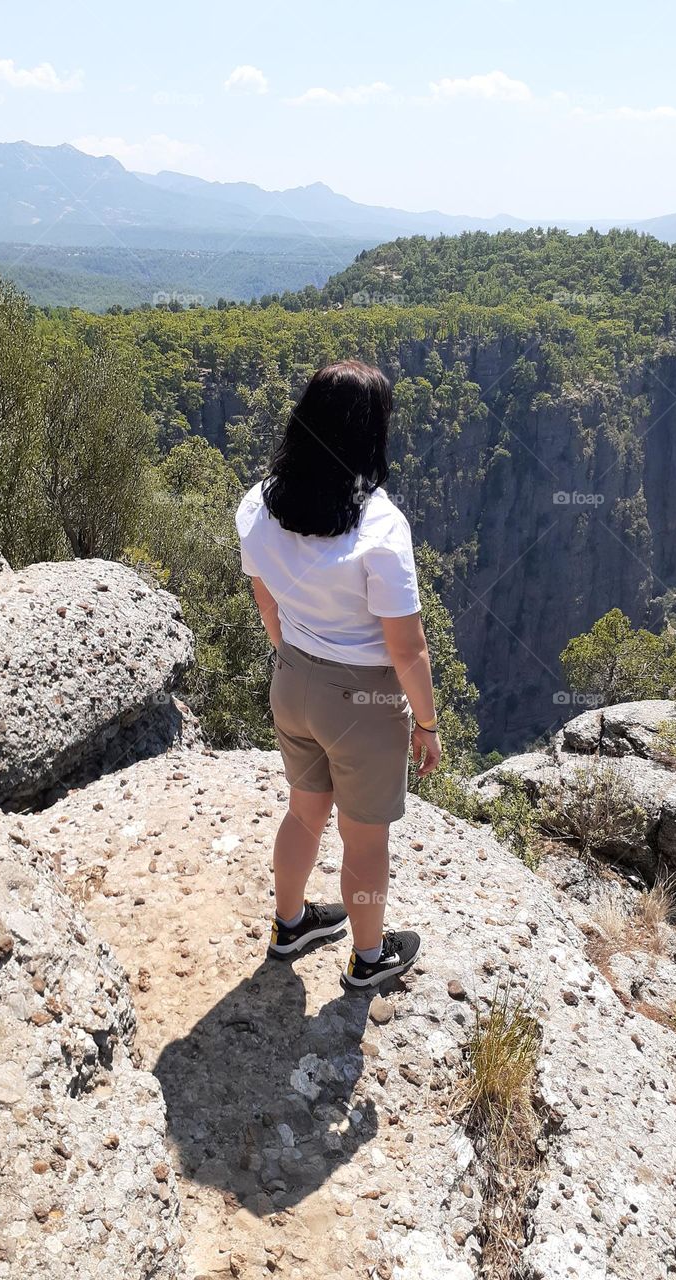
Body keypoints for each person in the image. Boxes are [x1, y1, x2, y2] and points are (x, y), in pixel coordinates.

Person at [235, 360, 442, 991]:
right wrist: (427, 724)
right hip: (363, 701)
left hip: (292, 681)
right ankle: (369, 958)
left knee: (303, 814)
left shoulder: (259, 504)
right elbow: (408, 649)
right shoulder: (381, 528)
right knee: (364, 837)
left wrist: (297, 659)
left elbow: (266, 605)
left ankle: (290, 924)